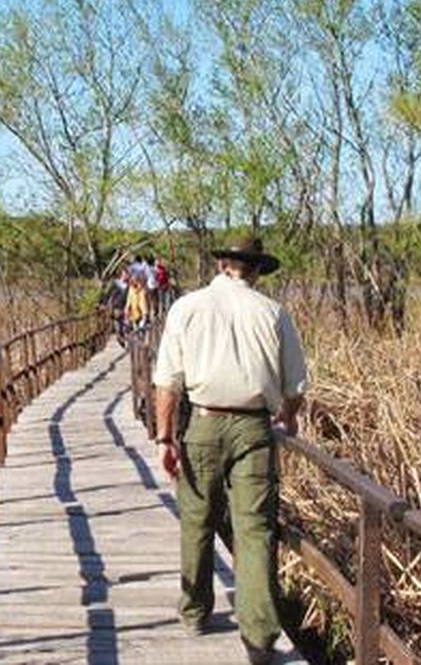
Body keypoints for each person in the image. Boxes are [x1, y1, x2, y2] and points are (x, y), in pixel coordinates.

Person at [151, 237, 307, 664]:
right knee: (254, 531)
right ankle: (258, 636)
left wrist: (165, 437)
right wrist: (287, 419)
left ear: (221, 264)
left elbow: (167, 380)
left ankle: (196, 610)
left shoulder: (187, 307)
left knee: (197, 520)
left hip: (202, 421)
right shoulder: (273, 313)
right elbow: (295, 385)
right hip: (255, 428)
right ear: (255, 270)